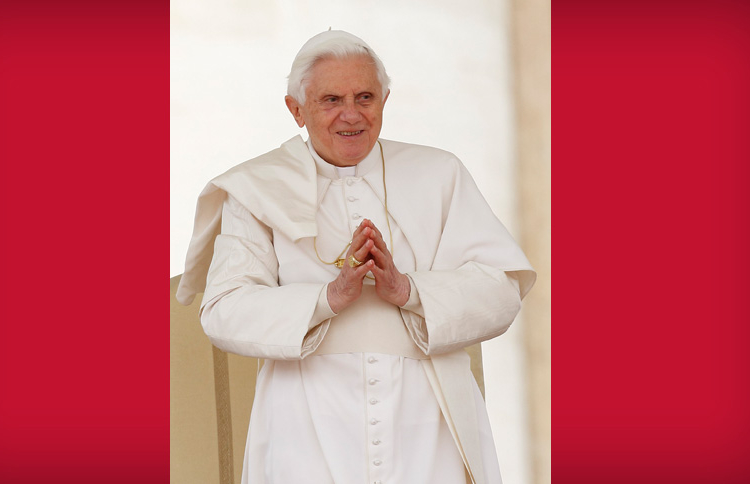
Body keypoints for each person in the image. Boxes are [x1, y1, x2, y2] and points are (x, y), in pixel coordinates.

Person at [177, 30, 535, 484]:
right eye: (331, 99)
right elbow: (223, 310)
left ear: (384, 99)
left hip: (427, 417)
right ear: (296, 110)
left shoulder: (439, 173)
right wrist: (328, 297)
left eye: (365, 97)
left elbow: (501, 290)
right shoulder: (255, 189)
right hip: (305, 417)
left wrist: (407, 290)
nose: (352, 114)